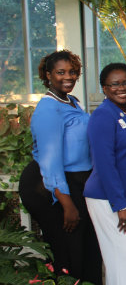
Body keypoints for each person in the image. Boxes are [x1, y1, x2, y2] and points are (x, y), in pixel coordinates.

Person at [18, 50, 103, 284]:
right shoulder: (48, 108)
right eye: (61, 72)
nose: (68, 77)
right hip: (54, 188)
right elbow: (50, 160)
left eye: (72, 72)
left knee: (87, 249)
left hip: (77, 182)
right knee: (70, 251)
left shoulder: (71, 102)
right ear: (48, 75)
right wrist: (66, 203)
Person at [84, 63, 126, 285]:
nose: (122, 88)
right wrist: (120, 205)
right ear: (105, 89)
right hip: (107, 198)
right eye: (114, 84)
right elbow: (105, 164)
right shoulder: (103, 116)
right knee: (121, 258)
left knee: (125, 258)